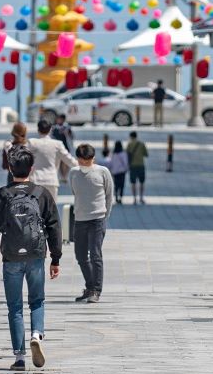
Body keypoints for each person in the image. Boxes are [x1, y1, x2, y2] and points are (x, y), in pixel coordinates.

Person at [0, 146, 62, 370]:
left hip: (11, 257)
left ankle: (19, 357)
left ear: (9, 168)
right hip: (36, 255)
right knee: (37, 300)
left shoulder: (2, 194)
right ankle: (36, 334)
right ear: (32, 169)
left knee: (14, 307)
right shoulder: (41, 193)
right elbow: (54, 226)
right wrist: (56, 258)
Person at [67, 143, 115, 303]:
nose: (85, 164)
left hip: (97, 219)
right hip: (80, 219)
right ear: (78, 159)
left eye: (88, 161)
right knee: (80, 255)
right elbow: (74, 192)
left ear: (93, 159)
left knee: (95, 255)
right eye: (82, 161)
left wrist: (105, 215)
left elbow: (109, 195)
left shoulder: (103, 172)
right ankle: (89, 286)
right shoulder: (73, 173)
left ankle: (96, 290)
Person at [27, 118, 72, 204]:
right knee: (51, 210)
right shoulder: (57, 144)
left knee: (35, 208)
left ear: (38, 130)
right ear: (50, 129)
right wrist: (84, 165)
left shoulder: (32, 143)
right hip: (51, 181)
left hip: (36, 180)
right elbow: (68, 159)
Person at [126, 131, 149, 204]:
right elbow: (146, 154)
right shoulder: (141, 144)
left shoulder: (129, 144)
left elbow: (126, 154)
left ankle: (134, 199)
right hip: (141, 165)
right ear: (136, 136)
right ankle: (141, 198)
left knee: (133, 183)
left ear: (130, 137)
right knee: (142, 182)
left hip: (132, 166)